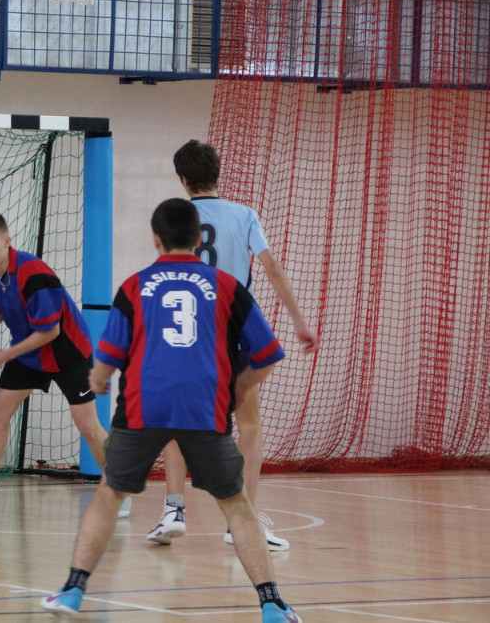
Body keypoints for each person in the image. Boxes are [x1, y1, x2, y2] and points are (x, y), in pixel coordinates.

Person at [40, 198, 301, 623]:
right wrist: (239, 388)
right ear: (198, 239)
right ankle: (273, 604)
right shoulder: (228, 286)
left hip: (144, 407)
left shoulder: (134, 286)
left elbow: (109, 356)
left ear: (155, 239)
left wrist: (99, 379)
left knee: (109, 494)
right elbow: (269, 353)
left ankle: (72, 591)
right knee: (237, 504)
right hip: (205, 409)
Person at [146, 139, 319, 551]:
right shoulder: (244, 215)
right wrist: (298, 320)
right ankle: (243, 521)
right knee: (250, 422)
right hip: (233, 326)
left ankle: (173, 510)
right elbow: (271, 268)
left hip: (189, 327)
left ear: (183, 179)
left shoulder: (177, 215)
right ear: (217, 173)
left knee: (175, 419)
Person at [0, 211, 129, 518]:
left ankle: (120, 489)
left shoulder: (34, 273)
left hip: (68, 353)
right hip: (28, 353)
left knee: (87, 425)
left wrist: (5, 355)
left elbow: (51, 331)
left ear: (7, 241)